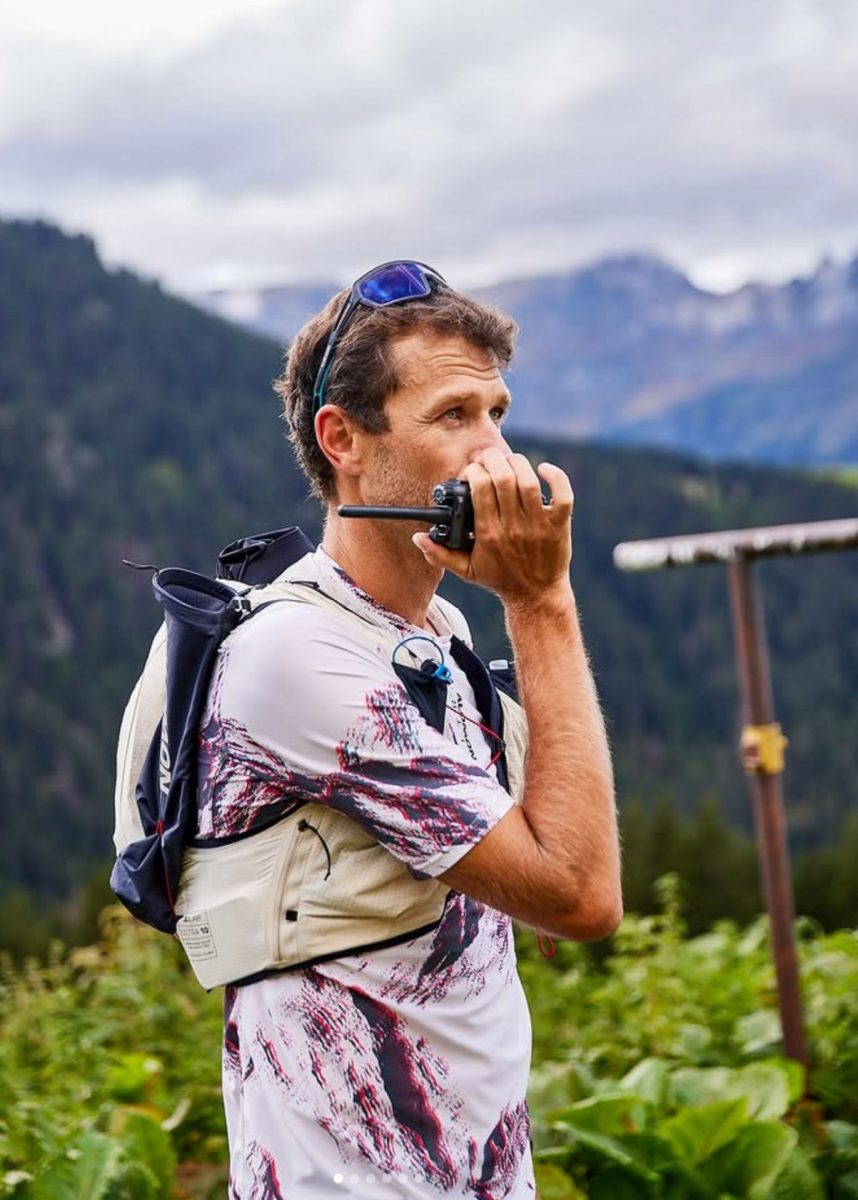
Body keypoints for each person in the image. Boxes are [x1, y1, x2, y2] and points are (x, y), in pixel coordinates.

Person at [207, 261, 621, 1198]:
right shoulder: (302, 657)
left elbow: (522, 868)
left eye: (498, 413)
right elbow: (582, 896)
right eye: (452, 417)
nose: (496, 456)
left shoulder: (434, 632)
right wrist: (544, 600)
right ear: (342, 438)